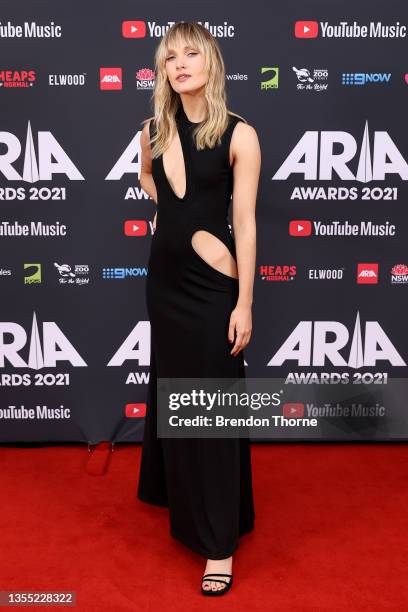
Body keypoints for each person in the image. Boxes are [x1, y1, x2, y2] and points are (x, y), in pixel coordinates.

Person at [137, 21, 261, 596]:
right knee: (174, 390)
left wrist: (246, 303)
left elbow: (246, 222)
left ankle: (218, 545)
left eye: (190, 54)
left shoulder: (240, 135)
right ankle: (176, 497)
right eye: (169, 58)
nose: (179, 64)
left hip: (213, 288)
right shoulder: (151, 131)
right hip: (164, 283)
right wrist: (167, 212)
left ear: (210, 62)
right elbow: (148, 180)